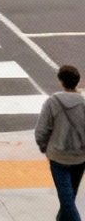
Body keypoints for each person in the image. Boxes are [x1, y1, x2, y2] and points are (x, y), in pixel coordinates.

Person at [36, 64, 85, 221]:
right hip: (80, 157)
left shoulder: (52, 102)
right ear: (78, 81)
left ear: (61, 81)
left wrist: (45, 148)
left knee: (67, 202)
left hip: (58, 157)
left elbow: (41, 130)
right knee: (69, 198)